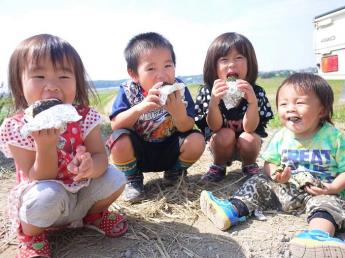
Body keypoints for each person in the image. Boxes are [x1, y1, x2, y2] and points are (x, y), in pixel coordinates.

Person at [0, 34, 128, 258]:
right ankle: (33, 237)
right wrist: (45, 146)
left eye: (63, 76)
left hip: (80, 195)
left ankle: (93, 216)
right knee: (45, 195)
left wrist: (91, 166)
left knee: (115, 177)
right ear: (19, 84)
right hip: (45, 202)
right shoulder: (17, 127)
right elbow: (38, 177)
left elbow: (100, 156)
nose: (52, 86)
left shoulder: (84, 117)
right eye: (39, 76)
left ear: (77, 82)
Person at [200, 73, 345, 257]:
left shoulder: (334, 138)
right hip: (285, 190)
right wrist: (276, 174)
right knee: (259, 180)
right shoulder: (281, 136)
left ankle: (317, 236)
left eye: (299, 103)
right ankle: (232, 209)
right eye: (284, 104)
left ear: (322, 110)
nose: (290, 109)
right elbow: (269, 163)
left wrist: (332, 188)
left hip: (319, 192)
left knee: (329, 206)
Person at [106, 32, 205, 203]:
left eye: (168, 66)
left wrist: (178, 113)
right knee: (118, 141)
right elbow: (116, 125)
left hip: (170, 149)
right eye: (151, 68)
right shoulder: (129, 91)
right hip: (140, 152)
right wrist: (140, 108)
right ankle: (132, 178)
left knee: (197, 140)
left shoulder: (179, 89)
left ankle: (175, 173)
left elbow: (187, 127)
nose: (161, 75)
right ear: (134, 74)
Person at [194, 32, 273, 182]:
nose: (232, 64)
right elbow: (214, 126)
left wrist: (252, 102)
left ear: (250, 63)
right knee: (225, 135)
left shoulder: (256, 91)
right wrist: (214, 102)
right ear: (214, 66)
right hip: (221, 145)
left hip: (247, 144)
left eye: (239, 58)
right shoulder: (208, 91)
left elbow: (250, 128)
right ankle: (218, 166)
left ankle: (249, 165)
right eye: (224, 59)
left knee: (248, 138)